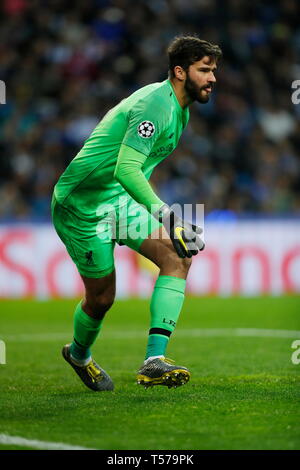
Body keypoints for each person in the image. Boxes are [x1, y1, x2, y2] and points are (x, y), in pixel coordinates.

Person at [51, 35, 222, 391]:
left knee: (178, 256)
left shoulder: (181, 111)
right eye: (204, 70)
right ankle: (78, 355)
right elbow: (125, 169)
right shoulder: (154, 106)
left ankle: (153, 361)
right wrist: (168, 215)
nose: (212, 78)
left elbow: (136, 172)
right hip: (81, 207)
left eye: (213, 70)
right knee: (101, 299)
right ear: (179, 72)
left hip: (118, 202)